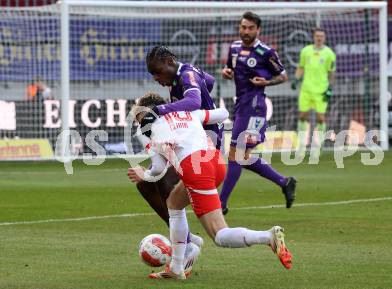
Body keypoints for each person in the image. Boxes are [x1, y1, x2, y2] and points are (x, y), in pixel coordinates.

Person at [128, 93, 292, 280]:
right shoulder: (187, 113)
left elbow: (157, 169)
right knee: (174, 204)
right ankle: (175, 268)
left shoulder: (148, 129)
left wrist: (144, 174)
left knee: (219, 235)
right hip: (216, 161)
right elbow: (222, 113)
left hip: (196, 169)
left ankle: (268, 237)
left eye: (139, 117)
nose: (139, 122)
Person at [129, 46, 221, 275]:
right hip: (197, 147)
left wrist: (161, 110)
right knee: (153, 185)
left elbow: (194, 100)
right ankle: (186, 244)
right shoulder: (183, 79)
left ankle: (187, 244)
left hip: (203, 151)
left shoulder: (185, 76)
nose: (156, 78)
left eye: (157, 72)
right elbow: (209, 80)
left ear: (169, 62)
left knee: (154, 181)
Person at [220, 11, 296, 215]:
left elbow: (283, 76)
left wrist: (267, 82)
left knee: (235, 154)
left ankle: (221, 204)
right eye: (243, 27)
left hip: (255, 107)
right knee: (242, 156)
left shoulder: (266, 52)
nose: (246, 31)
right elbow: (229, 69)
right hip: (241, 105)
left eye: (250, 28)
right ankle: (284, 182)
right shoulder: (234, 48)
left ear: (258, 30)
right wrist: (226, 72)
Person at [291, 27, 336, 159]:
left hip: (321, 90)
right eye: (317, 36)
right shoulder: (306, 51)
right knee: (302, 116)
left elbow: (331, 73)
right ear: (313, 37)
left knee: (320, 118)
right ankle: (301, 147)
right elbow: (300, 67)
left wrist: (330, 88)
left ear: (324, 38)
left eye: (321, 36)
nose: (319, 38)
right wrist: (296, 79)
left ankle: (317, 146)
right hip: (306, 89)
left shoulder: (329, 54)